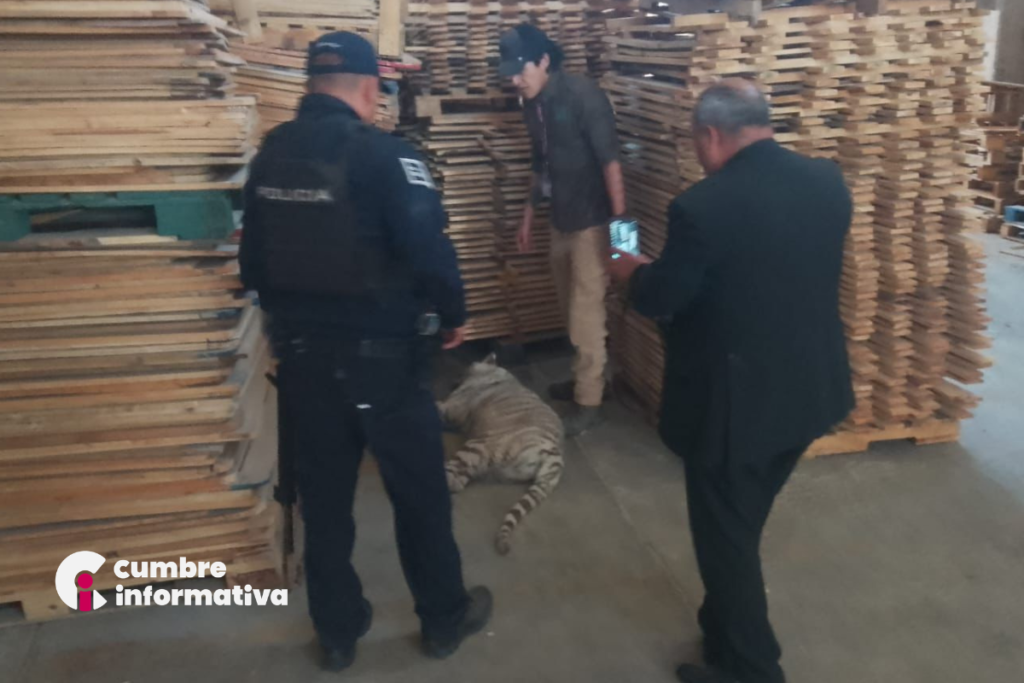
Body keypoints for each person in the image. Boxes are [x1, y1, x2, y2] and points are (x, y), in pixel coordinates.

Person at [239, 32, 492, 672]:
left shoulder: (269, 157)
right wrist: (455, 317)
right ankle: (442, 619)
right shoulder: (386, 157)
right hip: (385, 365)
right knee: (419, 498)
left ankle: (338, 632)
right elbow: (432, 253)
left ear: (309, 86)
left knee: (325, 506)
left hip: (302, 363)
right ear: (368, 89)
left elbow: (252, 266)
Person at [608, 80, 855, 683]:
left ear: (711, 135)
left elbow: (666, 296)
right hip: (810, 390)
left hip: (735, 411)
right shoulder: (827, 181)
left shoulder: (703, 207)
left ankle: (752, 669)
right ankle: (722, 632)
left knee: (726, 542)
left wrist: (631, 271)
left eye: (697, 142)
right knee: (740, 525)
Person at [498, 23, 626, 436]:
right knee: (568, 310)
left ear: (545, 61)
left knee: (586, 317)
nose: (515, 80)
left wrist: (624, 243)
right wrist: (527, 215)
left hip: (594, 223)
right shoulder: (531, 105)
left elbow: (612, 164)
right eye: (510, 73)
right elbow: (541, 164)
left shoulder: (583, 96)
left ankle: (590, 402)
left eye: (522, 71)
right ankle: (583, 379)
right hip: (560, 220)